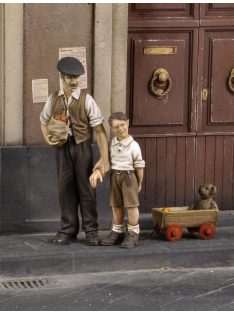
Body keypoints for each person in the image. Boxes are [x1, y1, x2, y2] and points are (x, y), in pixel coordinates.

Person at [40, 56, 109, 245]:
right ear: (61, 77)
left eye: (77, 77)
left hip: (82, 148)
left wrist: (104, 158)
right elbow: (43, 120)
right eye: (70, 77)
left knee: (86, 189)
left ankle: (91, 230)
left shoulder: (87, 100)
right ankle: (68, 230)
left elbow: (99, 131)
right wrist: (48, 138)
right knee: (65, 189)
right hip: (62, 149)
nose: (74, 81)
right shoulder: (53, 98)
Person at [90, 112, 145, 248]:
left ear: (127, 123)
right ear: (112, 130)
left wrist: (139, 182)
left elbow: (139, 166)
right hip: (115, 177)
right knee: (116, 206)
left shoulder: (134, 145)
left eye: (122, 125)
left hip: (128, 177)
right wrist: (97, 171)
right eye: (116, 127)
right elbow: (106, 161)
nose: (120, 129)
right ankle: (117, 231)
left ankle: (133, 232)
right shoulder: (112, 144)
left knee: (131, 206)